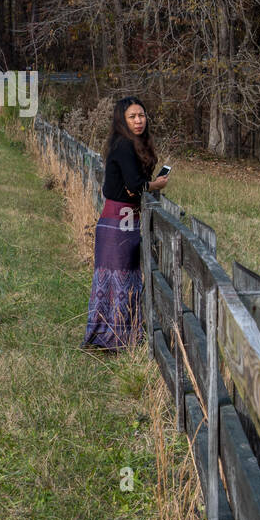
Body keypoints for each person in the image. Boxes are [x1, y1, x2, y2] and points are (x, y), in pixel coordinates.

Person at [80, 96, 169, 352]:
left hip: (126, 219)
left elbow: (133, 188)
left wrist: (142, 187)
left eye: (141, 115)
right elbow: (134, 186)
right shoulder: (123, 146)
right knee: (117, 277)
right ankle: (110, 339)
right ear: (122, 120)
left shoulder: (133, 144)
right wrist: (156, 185)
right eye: (132, 117)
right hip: (117, 221)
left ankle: (122, 338)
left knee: (126, 277)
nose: (139, 121)